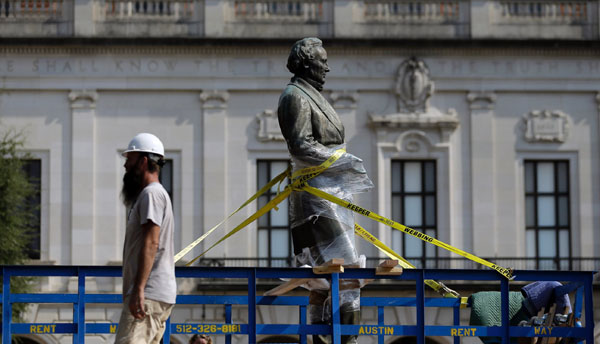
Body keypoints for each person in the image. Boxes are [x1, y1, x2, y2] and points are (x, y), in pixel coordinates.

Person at [277, 37, 373, 344]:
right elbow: (300, 144)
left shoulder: (311, 95)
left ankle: (320, 339)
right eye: (322, 61)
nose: (327, 67)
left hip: (330, 195)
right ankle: (346, 341)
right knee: (347, 278)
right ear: (307, 64)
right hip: (315, 201)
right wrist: (341, 160)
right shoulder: (296, 96)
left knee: (322, 279)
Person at [115, 133, 177, 344]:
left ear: (143, 161)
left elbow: (151, 242)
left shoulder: (151, 195)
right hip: (155, 293)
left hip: (149, 294)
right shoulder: (155, 194)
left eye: (129, 160)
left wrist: (139, 289)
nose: (125, 166)